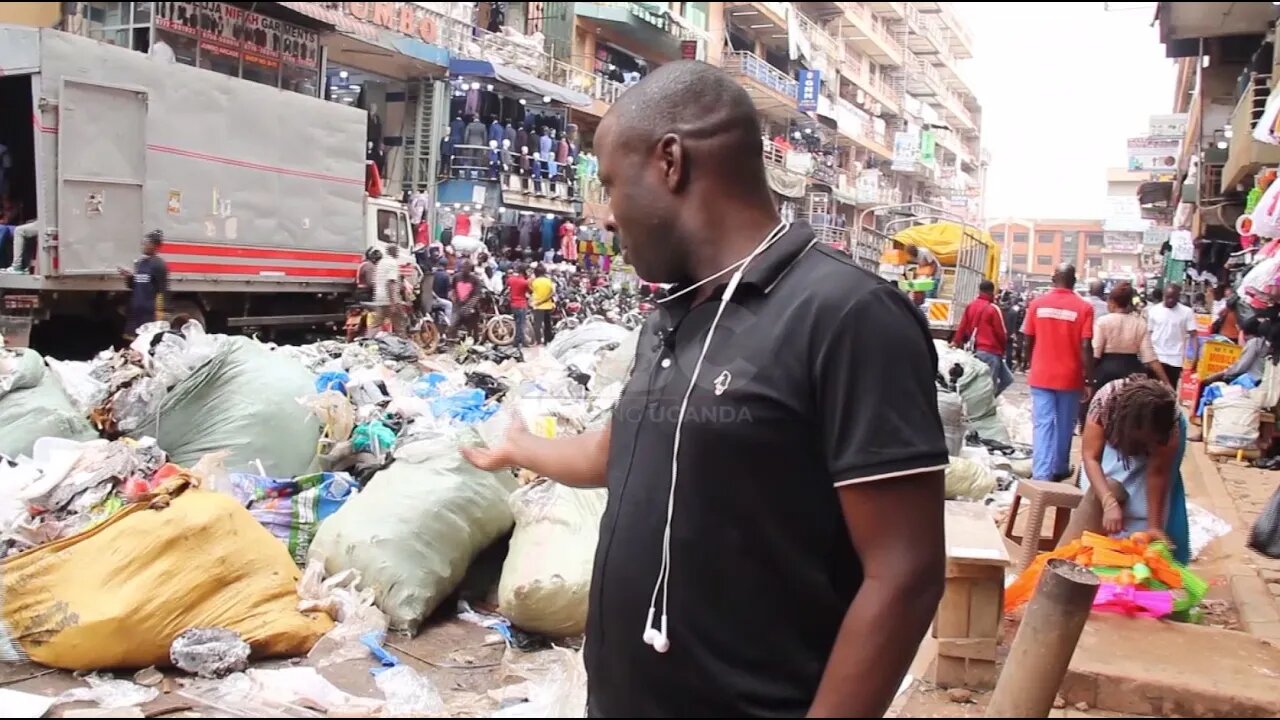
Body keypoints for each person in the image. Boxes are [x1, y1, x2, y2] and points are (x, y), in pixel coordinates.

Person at [463, 60, 947, 718]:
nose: (606, 216)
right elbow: (621, 451)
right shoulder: (674, 315)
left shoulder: (846, 315)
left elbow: (906, 573)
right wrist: (521, 448)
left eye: (610, 184)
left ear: (669, 162)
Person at [1068, 376, 1191, 565]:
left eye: (1152, 439)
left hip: (1158, 431)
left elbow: (1157, 472)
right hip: (1116, 428)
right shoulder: (1104, 404)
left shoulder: (1169, 424)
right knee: (1097, 498)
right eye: (1144, 438)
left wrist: (1154, 526)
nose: (1147, 444)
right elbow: (1091, 458)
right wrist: (1109, 502)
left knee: (1143, 508)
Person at [1023, 263, 1094, 482]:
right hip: (1070, 377)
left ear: (1053, 279)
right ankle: (1060, 467)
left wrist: (1029, 363)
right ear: (1074, 281)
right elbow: (1085, 346)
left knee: (1042, 424)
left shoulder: (1037, 304)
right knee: (1065, 424)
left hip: (1041, 373)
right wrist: (1089, 379)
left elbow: (1027, 338)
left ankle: (1041, 474)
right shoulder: (1084, 308)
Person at [1091, 283, 1171, 389]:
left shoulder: (1103, 322)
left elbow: (1095, 353)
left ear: (1112, 302)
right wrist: (1167, 383)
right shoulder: (1139, 323)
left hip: (1106, 374)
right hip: (1133, 375)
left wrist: (1086, 377)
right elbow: (1150, 357)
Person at [952, 279, 1012, 396]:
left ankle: (989, 402)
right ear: (992, 292)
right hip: (992, 352)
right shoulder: (993, 309)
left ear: (979, 291)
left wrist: (955, 341)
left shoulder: (971, 306)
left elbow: (962, 326)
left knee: (1005, 379)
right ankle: (984, 408)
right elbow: (1001, 333)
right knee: (988, 387)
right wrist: (1003, 349)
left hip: (976, 351)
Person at [118, 229, 170, 341]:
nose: (144, 245)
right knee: (131, 340)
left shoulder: (159, 265)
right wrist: (129, 277)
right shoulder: (140, 263)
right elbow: (134, 286)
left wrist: (159, 312)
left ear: (155, 246)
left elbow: (162, 290)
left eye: (147, 243)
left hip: (149, 313)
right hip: (136, 310)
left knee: (146, 342)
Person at [1146, 283, 1198, 389]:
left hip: (1175, 358)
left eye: (1173, 298)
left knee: (1171, 390)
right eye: (1168, 297)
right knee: (1152, 391)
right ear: (1163, 296)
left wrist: (1194, 357)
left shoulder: (1186, 312)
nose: (1170, 300)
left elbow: (1194, 336)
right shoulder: (1153, 311)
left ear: (1178, 297)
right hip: (1156, 356)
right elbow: (1149, 334)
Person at [367, 244, 406, 337]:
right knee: (400, 323)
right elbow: (390, 283)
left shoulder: (381, 263)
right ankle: (402, 344)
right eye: (397, 251)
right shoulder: (392, 263)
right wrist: (393, 303)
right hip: (389, 299)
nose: (398, 253)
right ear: (393, 252)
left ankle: (368, 341)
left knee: (376, 324)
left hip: (379, 298)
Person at [450, 259, 483, 338]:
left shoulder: (475, 279)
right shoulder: (456, 277)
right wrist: (453, 298)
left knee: (472, 326)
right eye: (463, 268)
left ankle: (474, 339)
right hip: (458, 305)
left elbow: (477, 295)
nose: (464, 270)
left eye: (467, 268)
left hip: (471, 306)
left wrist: (469, 307)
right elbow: (452, 289)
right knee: (453, 324)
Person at [506, 262, 531, 348]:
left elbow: (506, 286)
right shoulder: (525, 282)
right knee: (521, 324)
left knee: (517, 323)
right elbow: (530, 291)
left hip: (513, 305)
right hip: (522, 304)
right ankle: (518, 342)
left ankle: (520, 341)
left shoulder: (511, 279)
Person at [530, 264, 556, 345]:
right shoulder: (549, 280)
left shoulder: (534, 281)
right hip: (547, 306)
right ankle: (547, 340)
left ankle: (538, 341)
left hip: (537, 305)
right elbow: (553, 292)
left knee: (538, 325)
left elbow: (531, 292)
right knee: (547, 324)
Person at [431, 257, 454, 324]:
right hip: (437, 300)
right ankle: (447, 322)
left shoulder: (432, 273)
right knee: (449, 304)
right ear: (446, 265)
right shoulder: (446, 276)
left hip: (430, 299)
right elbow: (448, 291)